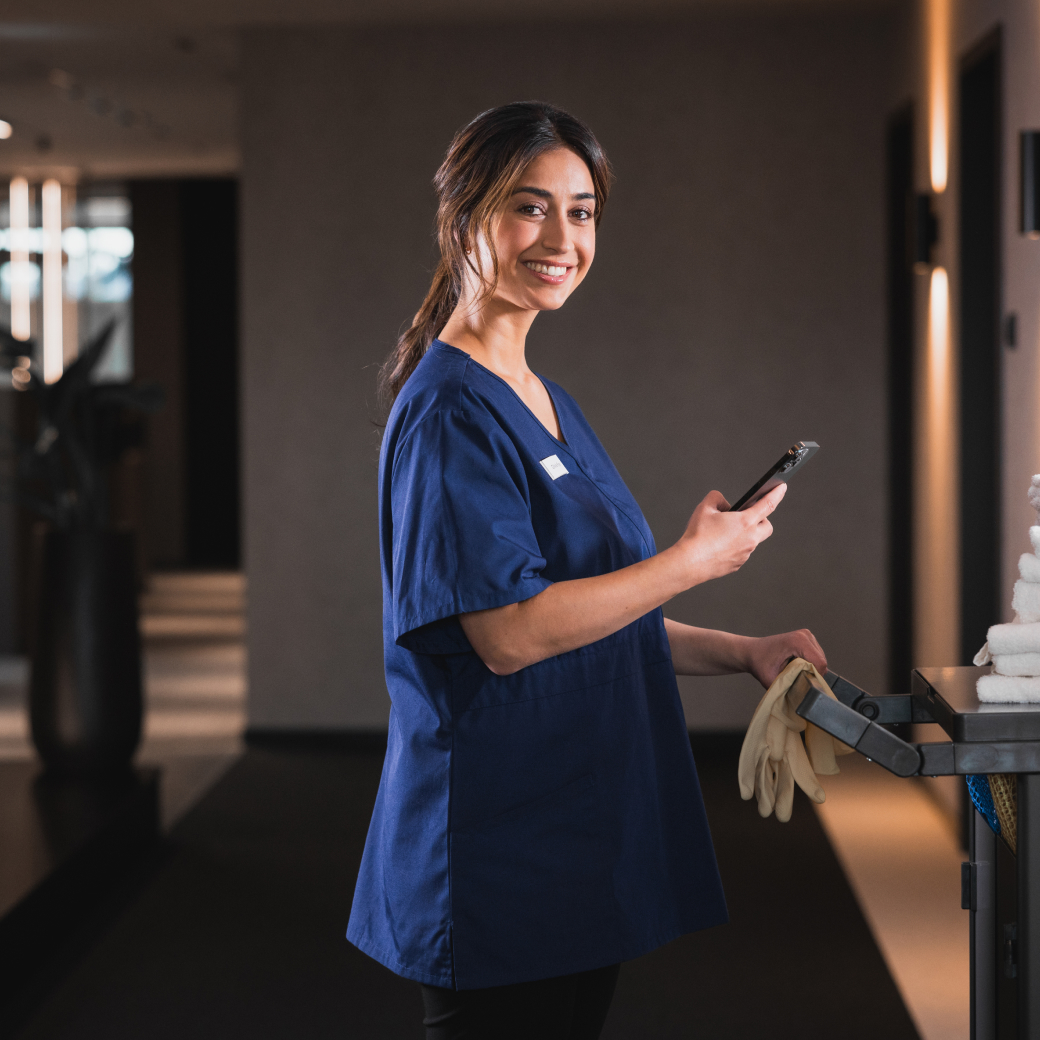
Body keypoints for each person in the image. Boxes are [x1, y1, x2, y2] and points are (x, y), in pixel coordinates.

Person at [347, 101, 827, 1040]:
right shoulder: (452, 411)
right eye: (530, 208)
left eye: (583, 211)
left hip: (574, 826)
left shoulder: (541, 395)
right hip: (496, 848)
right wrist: (690, 563)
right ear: (464, 220)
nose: (561, 238)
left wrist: (742, 651)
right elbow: (511, 632)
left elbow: (593, 609)